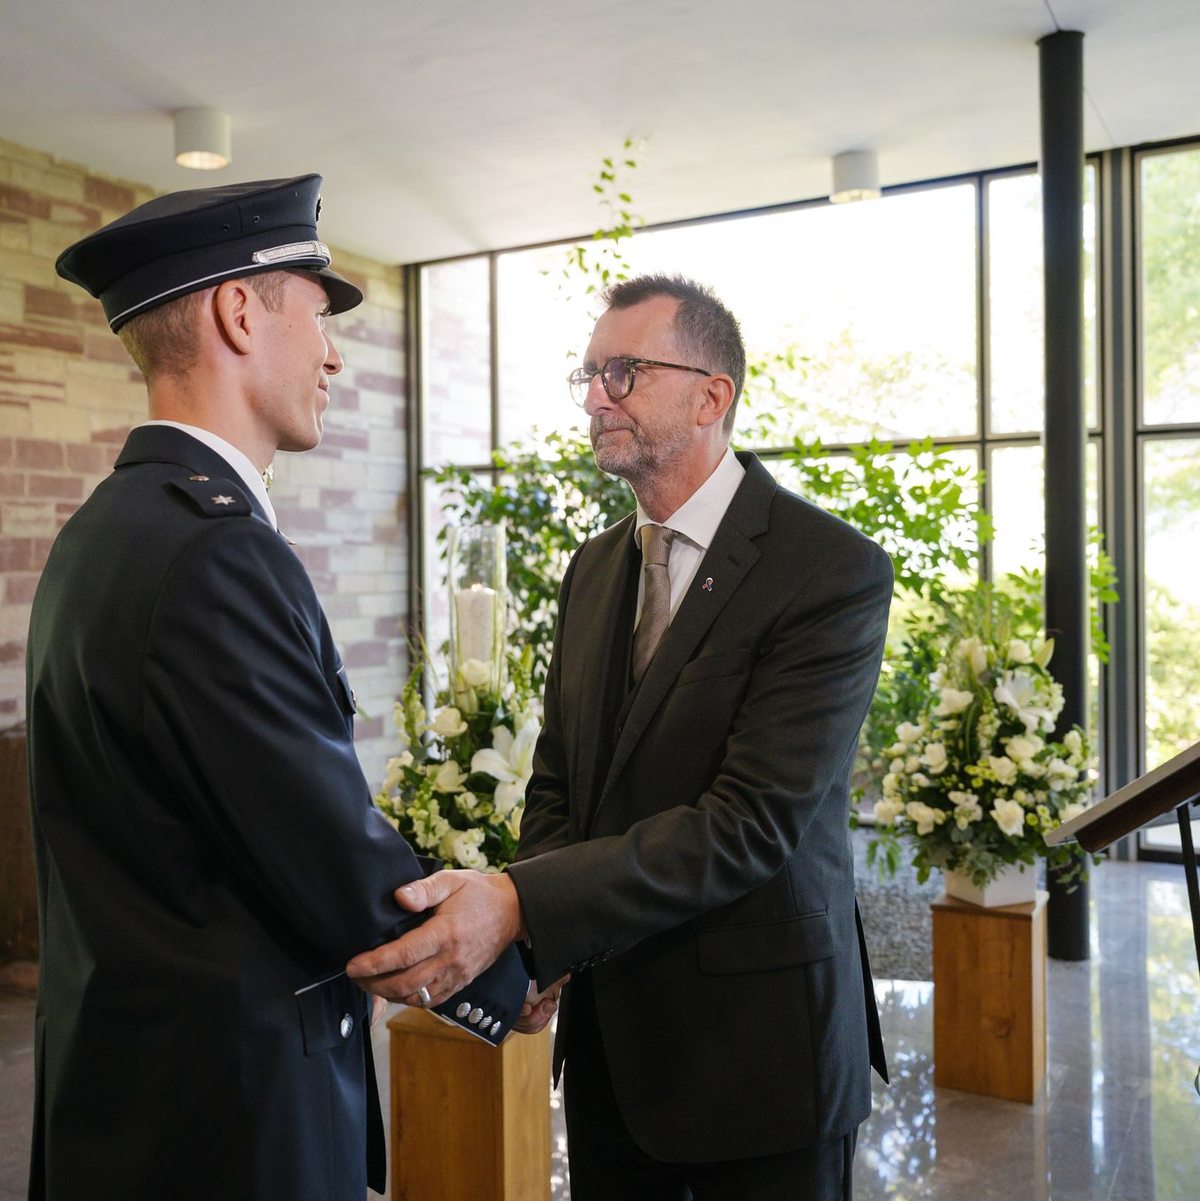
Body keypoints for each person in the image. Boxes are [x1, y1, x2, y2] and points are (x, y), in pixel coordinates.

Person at [28, 175, 527, 1201]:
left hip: (137, 1100)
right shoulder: (213, 553)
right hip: (230, 1126)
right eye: (317, 311)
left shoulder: (104, 533)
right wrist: (516, 967)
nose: (335, 352)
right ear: (239, 311)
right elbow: (327, 856)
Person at [349, 274, 894, 1198]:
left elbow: (750, 823)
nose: (597, 396)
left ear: (711, 394)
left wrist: (521, 904)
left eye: (625, 371)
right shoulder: (595, 567)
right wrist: (539, 954)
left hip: (761, 1060)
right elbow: (562, 777)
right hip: (612, 1058)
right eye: (591, 373)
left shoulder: (829, 570)